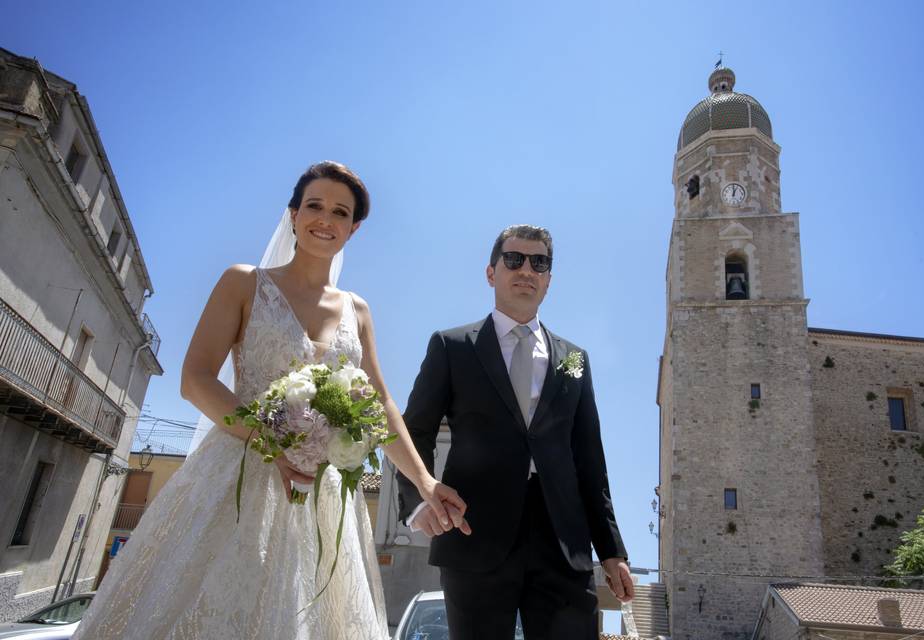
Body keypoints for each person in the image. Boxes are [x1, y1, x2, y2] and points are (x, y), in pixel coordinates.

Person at [75, 162, 467, 640]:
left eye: (340, 212)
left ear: (354, 228)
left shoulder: (357, 310)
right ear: (294, 214)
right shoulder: (243, 282)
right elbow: (195, 380)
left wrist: (425, 482)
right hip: (238, 475)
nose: (326, 219)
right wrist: (269, 444)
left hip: (319, 496)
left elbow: (380, 402)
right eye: (315, 206)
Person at [397, 224, 633, 640]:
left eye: (539, 262)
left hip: (562, 544)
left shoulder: (574, 360)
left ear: (549, 280)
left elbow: (590, 460)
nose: (527, 269)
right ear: (492, 273)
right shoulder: (452, 346)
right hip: (474, 536)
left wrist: (611, 550)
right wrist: (418, 501)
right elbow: (414, 430)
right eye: (514, 259)